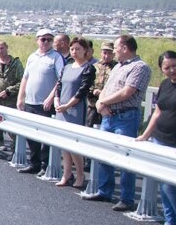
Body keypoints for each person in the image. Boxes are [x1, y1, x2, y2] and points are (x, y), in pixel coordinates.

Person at [85, 34, 152, 211]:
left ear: (124, 47)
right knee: (105, 154)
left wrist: (104, 102)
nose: (114, 51)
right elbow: (107, 88)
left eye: (115, 47)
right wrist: (100, 103)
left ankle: (127, 197)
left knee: (125, 158)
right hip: (109, 115)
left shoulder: (140, 67)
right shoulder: (117, 68)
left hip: (126, 116)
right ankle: (104, 190)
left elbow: (127, 92)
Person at [135, 50, 176, 225]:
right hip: (159, 138)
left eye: (175, 65)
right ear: (162, 70)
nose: (172, 70)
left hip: (175, 141)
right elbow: (157, 112)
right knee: (163, 182)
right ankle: (169, 221)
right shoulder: (164, 84)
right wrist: (145, 135)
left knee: (170, 184)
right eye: (167, 67)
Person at [16, 29, 63, 175]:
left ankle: (45, 165)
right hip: (30, 101)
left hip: (45, 104)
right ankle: (34, 163)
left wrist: (51, 97)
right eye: (43, 39)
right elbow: (25, 78)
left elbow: (60, 79)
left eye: (49, 39)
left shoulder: (56, 57)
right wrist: (20, 97)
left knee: (45, 136)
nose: (46, 42)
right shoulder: (32, 57)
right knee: (31, 135)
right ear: (37, 40)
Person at [52, 37, 95, 188]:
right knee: (64, 144)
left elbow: (82, 91)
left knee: (74, 145)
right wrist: (57, 101)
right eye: (72, 49)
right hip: (61, 108)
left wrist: (67, 105)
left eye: (78, 49)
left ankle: (80, 174)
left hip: (75, 109)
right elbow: (59, 85)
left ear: (85, 51)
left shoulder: (88, 68)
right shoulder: (67, 66)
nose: (74, 52)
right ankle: (67, 173)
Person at [87, 41, 117, 127]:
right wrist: (94, 91)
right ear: (101, 53)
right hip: (93, 104)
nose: (106, 56)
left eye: (110, 53)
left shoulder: (117, 67)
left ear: (114, 54)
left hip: (110, 106)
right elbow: (88, 83)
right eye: (104, 53)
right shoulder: (94, 66)